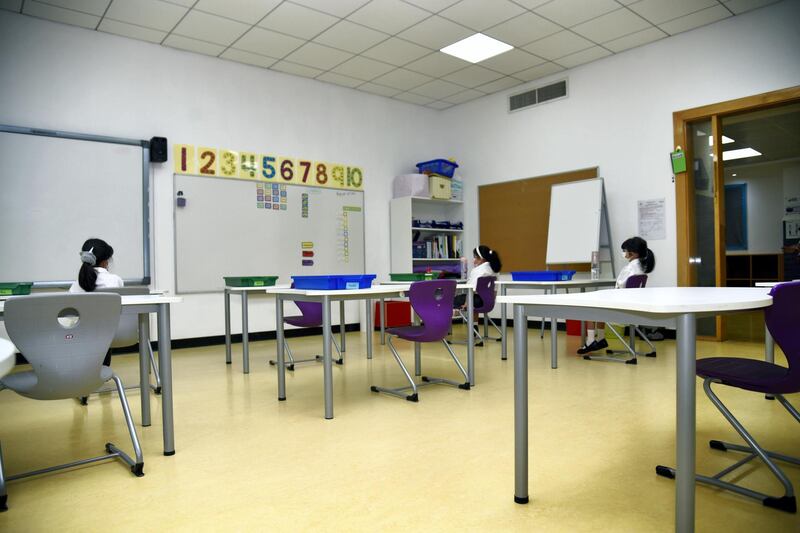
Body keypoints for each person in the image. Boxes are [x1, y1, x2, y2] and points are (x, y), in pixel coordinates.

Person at [577, 236, 655, 355]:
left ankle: (591, 341)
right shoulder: (641, 268)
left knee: (590, 308)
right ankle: (601, 339)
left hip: (622, 310)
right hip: (633, 308)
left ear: (632, 253)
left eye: (625, 251)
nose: (623, 253)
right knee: (599, 305)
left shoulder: (629, 268)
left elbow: (619, 287)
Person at [69, 238, 123, 371]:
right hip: (111, 335)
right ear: (105, 261)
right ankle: (102, 369)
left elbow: (69, 314)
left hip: (81, 336)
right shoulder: (115, 281)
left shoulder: (77, 285)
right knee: (104, 327)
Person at [453, 245, 502, 309]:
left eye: (475, 257)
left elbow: (470, 289)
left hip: (475, 301)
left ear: (481, 258)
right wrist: (491, 301)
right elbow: (495, 289)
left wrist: (467, 304)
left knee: (450, 300)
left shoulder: (478, 270)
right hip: (489, 301)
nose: (474, 260)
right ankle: (475, 319)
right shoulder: (495, 269)